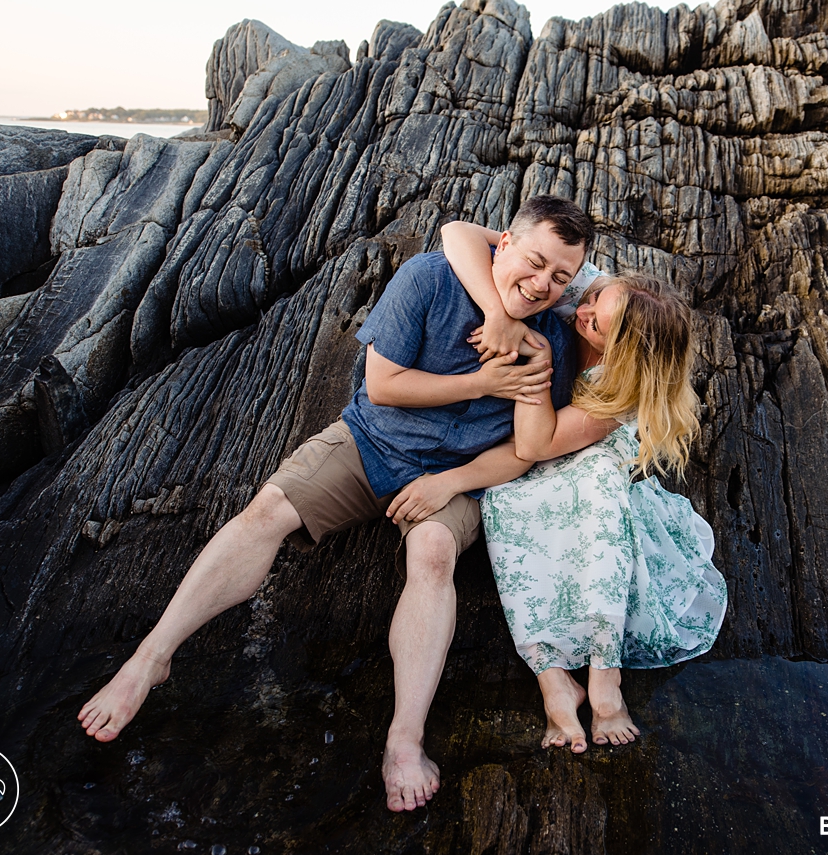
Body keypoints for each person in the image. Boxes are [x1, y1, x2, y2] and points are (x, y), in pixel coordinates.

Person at [77, 196, 595, 812]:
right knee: (266, 511)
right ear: (503, 243)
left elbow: (523, 448)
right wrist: (483, 381)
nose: (541, 285)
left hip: (462, 474)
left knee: (432, 553)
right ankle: (150, 659)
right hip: (371, 440)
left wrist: (451, 484)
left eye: (559, 277)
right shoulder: (430, 277)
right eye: (534, 262)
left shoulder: (555, 337)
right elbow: (385, 386)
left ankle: (404, 738)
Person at [441, 223, 727, 754]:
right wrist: (501, 316)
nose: (583, 314)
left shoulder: (621, 385)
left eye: (599, 326)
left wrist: (540, 360)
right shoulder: (586, 290)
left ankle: (604, 675)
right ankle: (554, 682)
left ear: (623, 352)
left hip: (584, 454)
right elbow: (457, 233)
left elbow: (535, 443)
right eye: (595, 299)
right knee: (507, 501)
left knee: (592, 490)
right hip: (540, 449)